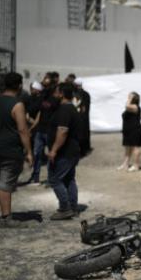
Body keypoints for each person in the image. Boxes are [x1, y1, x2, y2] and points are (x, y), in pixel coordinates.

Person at [0, 72, 33, 226]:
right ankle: (6, 218)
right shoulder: (17, 104)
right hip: (10, 149)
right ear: (19, 85)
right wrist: (29, 151)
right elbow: (23, 130)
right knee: (6, 183)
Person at [47, 82, 81, 220]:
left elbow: (62, 131)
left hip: (64, 153)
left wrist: (54, 150)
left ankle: (65, 208)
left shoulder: (65, 110)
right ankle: (72, 207)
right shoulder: (70, 108)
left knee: (55, 179)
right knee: (68, 179)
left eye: (56, 92)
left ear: (61, 94)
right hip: (71, 152)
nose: (54, 95)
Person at [29, 75, 59, 185]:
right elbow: (38, 113)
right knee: (37, 154)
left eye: (47, 85)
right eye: (43, 85)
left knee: (51, 155)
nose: (45, 87)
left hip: (50, 132)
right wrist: (33, 127)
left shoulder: (56, 100)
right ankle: (35, 177)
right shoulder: (41, 99)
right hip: (40, 131)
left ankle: (51, 178)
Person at [118, 92, 141, 172]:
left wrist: (130, 98)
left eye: (130, 96)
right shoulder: (131, 107)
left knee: (135, 147)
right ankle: (125, 164)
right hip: (127, 130)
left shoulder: (135, 107)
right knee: (127, 147)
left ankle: (136, 165)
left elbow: (127, 106)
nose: (128, 97)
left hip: (134, 129)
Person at [73, 78, 92, 156]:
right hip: (85, 116)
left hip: (79, 117)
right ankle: (85, 148)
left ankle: (81, 150)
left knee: (80, 133)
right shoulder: (86, 94)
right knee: (85, 132)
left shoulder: (76, 94)